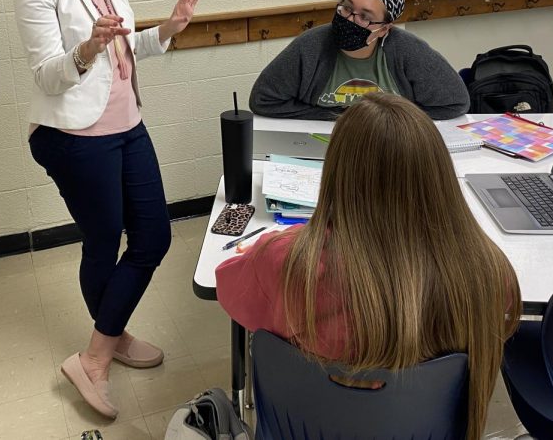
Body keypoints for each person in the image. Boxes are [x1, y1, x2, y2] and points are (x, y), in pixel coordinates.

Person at [216, 93, 521, 439]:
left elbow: (228, 291)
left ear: (335, 174)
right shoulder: (485, 270)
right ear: (438, 177)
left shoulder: (286, 260)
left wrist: (280, 243)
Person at [15, 0, 199, 419]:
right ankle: (102, 352)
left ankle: (101, 343)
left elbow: (122, 41)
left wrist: (165, 30)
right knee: (104, 241)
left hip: (127, 125)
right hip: (76, 135)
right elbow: (48, 71)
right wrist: (89, 46)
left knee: (153, 237)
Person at [249, 0, 469, 120]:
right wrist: (335, 118)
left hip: (391, 144)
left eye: (365, 16)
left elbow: (456, 102)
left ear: (383, 30)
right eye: (346, 8)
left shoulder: (408, 51)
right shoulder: (311, 45)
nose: (350, 19)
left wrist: (397, 121)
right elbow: (263, 100)